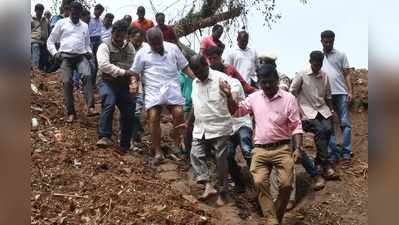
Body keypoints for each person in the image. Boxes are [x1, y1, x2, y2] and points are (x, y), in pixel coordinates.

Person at [220, 64, 303, 224]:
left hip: (282, 148)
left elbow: (296, 126)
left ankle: (274, 217)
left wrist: (298, 148)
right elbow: (236, 112)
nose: (267, 85)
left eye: (271, 82)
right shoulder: (254, 98)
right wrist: (229, 96)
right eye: (263, 82)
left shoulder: (288, 99)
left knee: (286, 185)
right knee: (259, 182)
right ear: (259, 82)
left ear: (277, 80)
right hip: (260, 149)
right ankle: (272, 221)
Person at [129, 27, 196, 164]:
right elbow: (134, 72)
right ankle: (157, 150)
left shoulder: (173, 48)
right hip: (153, 89)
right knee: (153, 117)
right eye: (154, 45)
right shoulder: (142, 53)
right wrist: (134, 82)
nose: (157, 46)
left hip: (171, 86)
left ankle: (176, 144)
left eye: (159, 43)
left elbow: (185, 67)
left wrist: (196, 79)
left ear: (162, 39)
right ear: (149, 42)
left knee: (178, 113)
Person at [186, 54, 240, 205]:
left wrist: (229, 95)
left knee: (220, 160)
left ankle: (224, 190)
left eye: (199, 69)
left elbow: (234, 107)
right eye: (194, 71)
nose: (197, 73)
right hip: (200, 127)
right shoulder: (195, 82)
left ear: (206, 65)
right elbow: (194, 104)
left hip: (219, 127)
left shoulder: (222, 79)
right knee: (195, 154)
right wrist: (188, 123)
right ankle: (207, 185)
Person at [47, 1, 97, 122]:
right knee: (67, 81)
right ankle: (71, 112)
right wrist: (55, 53)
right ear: (70, 11)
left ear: (80, 13)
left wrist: (89, 51)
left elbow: (87, 44)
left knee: (87, 75)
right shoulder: (61, 23)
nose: (75, 16)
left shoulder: (84, 25)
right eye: (73, 13)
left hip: (81, 56)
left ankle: (90, 107)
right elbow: (50, 41)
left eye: (77, 14)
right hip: (65, 57)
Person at [291, 51, 338, 175]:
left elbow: (328, 95)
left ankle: (319, 158)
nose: (317, 66)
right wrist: (296, 110)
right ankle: (326, 164)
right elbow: (292, 92)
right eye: (315, 63)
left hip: (322, 110)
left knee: (328, 129)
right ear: (310, 61)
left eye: (320, 63)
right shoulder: (301, 75)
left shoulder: (324, 76)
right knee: (320, 130)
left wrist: (332, 110)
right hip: (307, 112)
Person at [95, 20, 137, 154]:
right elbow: (103, 65)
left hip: (123, 84)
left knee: (130, 110)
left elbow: (135, 67)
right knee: (109, 101)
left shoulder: (130, 48)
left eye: (122, 34)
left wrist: (133, 84)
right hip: (106, 82)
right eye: (116, 34)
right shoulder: (104, 46)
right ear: (112, 33)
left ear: (126, 35)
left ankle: (125, 143)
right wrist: (124, 72)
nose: (119, 37)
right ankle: (104, 136)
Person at [320, 30, 352, 161]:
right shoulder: (319, 57)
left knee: (345, 123)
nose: (327, 43)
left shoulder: (341, 55)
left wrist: (350, 91)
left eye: (330, 41)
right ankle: (333, 153)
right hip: (326, 95)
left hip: (341, 93)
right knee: (330, 124)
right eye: (325, 41)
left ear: (334, 40)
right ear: (321, 41)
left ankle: (346, 151)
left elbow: (347, 74)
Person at [128, 27, 146, 145]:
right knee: (129, 111)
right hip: (126, 82)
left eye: (140, 41)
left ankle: (133, 138)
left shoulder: (145, 49)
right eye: (136, 41)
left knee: (137, 110)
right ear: (130, 38)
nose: (138, 43)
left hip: (139, 83)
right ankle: (131, 136)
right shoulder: (125, 48)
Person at [31, 3, 49, 71]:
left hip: (44, 42)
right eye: (38, 10)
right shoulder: (31, 20)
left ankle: (42, 70)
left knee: (45, 55)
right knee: (36, 47)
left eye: (41, 10)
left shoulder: (46, 20)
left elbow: (49, 30)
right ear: (35, 10)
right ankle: (35, 70)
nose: (40, 12)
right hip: (34, 40)